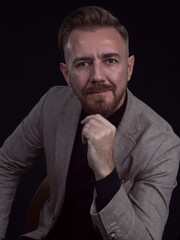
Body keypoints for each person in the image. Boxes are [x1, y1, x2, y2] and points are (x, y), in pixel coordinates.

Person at [0, 5, 180, 240]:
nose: (97, 75)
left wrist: (106, 169)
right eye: (83, 63)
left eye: (110, 60)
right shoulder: (53, 104)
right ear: (66, 74)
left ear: (129, 68)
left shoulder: (161, 143)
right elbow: (7, 163)